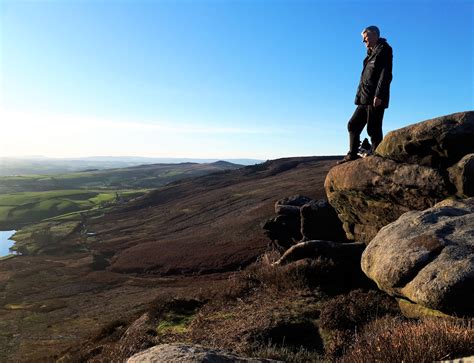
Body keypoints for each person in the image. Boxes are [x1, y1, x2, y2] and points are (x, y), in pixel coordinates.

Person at [337, 25, 393, 164]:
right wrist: (358, 98)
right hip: (365, 98)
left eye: (365, 37)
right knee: (353, 124)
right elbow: (365, 79)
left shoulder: (384, 50)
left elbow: (385, 74)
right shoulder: (370, 54)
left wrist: (379, 95)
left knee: (373, 129)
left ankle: (377, 158)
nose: (364, 41)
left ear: (375, 35)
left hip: (375, 98)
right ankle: (353, 153)